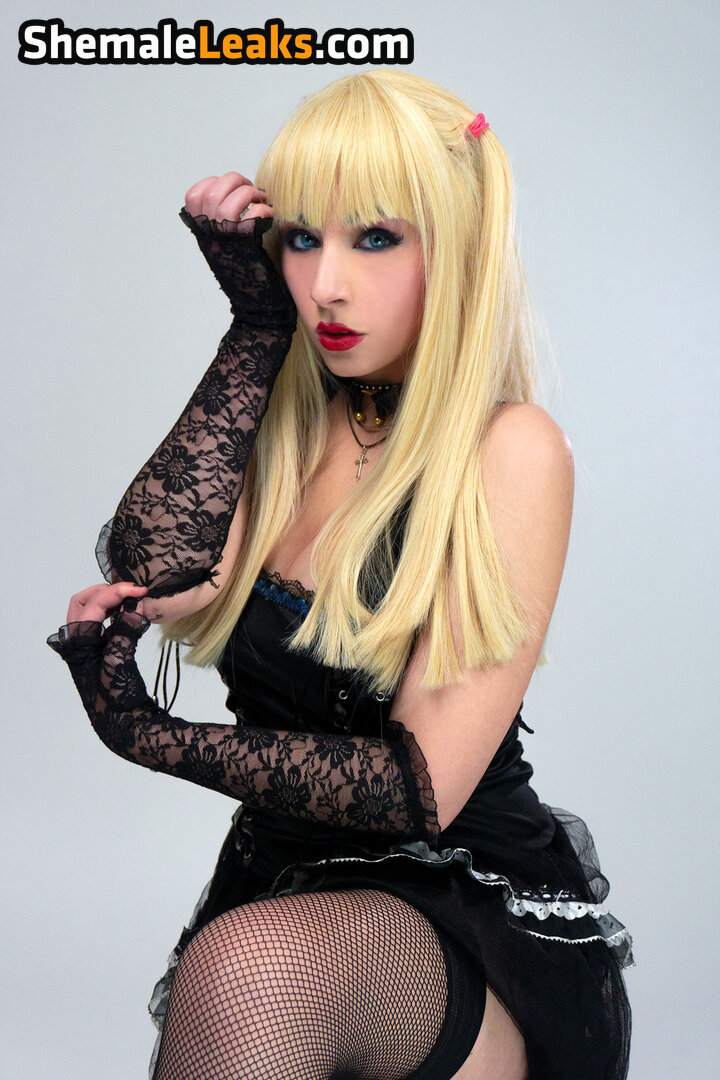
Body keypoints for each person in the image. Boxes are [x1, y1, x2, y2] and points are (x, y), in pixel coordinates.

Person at [47, 70, 633, 1079]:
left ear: (456, 246)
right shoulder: (288, 429)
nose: (325, 286)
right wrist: (253, 332)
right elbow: (152, 570)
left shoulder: (511, 450)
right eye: (301, 239)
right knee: (251, 965)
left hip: (461, 921)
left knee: (250, 971)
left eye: (375, 239)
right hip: (289, 886)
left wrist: (157, 738)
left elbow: (419, 789)